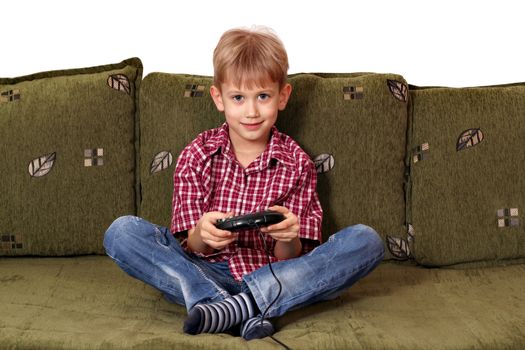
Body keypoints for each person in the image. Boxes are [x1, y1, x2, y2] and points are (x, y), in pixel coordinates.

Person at [103, 25, 385, 341]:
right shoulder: (198, 153)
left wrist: (289, 235)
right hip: (204, 272)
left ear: (282, 96)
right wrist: (202, 234)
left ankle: (233, 307)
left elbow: (290, 257)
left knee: (366, 240)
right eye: (238, 97)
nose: (251, 111)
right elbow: (190, 246)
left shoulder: (296, 162)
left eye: (262, 96)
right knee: (122, 232)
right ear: (219, 98)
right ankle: (239, 305)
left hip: (276, 274)